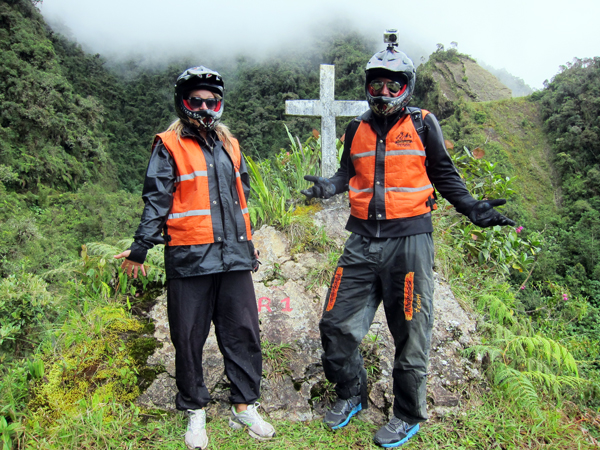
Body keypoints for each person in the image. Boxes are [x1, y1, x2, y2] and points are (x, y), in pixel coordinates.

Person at [301, 44, 515, 447]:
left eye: (392, 85)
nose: (383, 92)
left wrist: (473, 209)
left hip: (410, 241)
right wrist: (328, 186)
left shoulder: (422, 124)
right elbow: (349, 172)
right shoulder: (356, 129)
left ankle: (406, 413)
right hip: (362, 240)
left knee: (411, 330)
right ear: (367, 86)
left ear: (406, 88)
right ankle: (351, 392)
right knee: (334, 323)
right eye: (377, 84)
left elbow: (445, 176)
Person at [114, 66, 275, 449]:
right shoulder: (168, 144)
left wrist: (247, 243)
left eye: (211, 100)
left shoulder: (230, 144)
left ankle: (243, 406)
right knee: (188, 337)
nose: (204, 106)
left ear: (219, 103)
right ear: (183, 102)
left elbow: (242, 196)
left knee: (243, 332)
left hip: (234, 256)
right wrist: (140, 248)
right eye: (196, 100)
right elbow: (157, 198)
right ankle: (195, 410)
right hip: (189, 257)